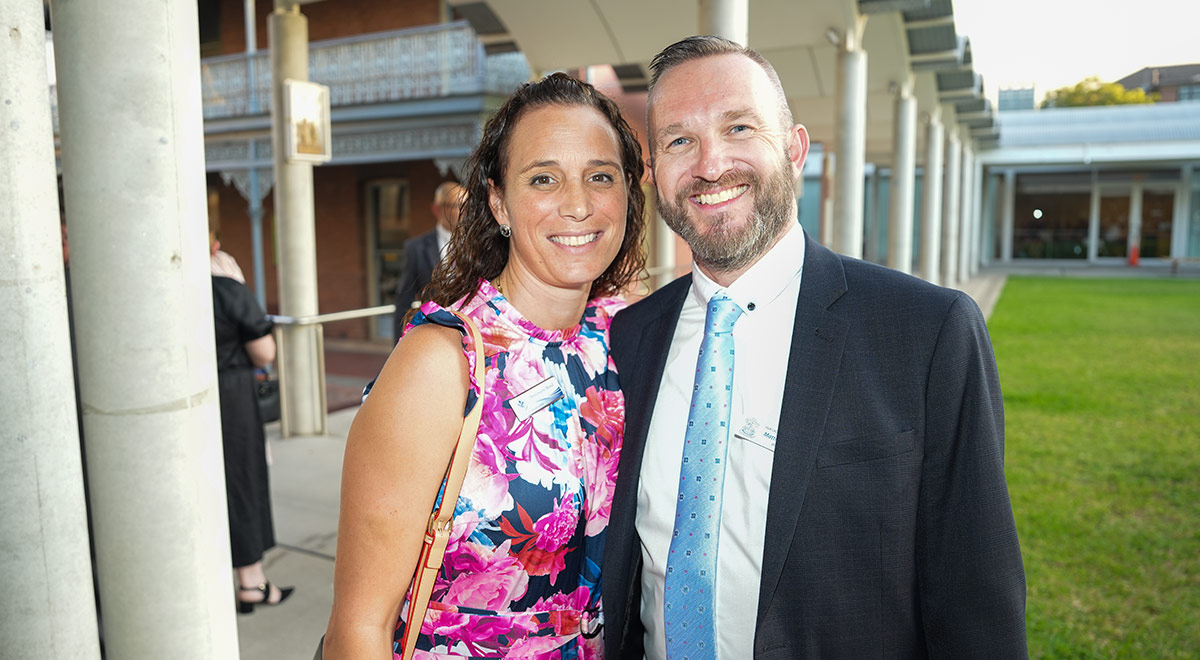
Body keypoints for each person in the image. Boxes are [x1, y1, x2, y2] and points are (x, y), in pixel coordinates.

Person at [601, 36, 1028, 659]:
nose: (711, 164)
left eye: (739, 127)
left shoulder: (928, 333)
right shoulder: (630, 339)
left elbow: (978, 605)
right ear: (653, 172)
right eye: (678, 141)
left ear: (795, 149)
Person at [321, 72, 646, 660]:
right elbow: (360, 625)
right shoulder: (443, 364)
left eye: (600, 176)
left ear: (627, 192)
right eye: (543, 178)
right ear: (498, 201)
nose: (578, 204)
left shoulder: (629, 338)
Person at [212, 271, 294, 613]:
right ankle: (251, 582)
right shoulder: (225, 288)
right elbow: (264, 352)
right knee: (241, 481)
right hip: (231, 398)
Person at [392, 181, 466, 342]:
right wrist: (398, 347)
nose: (465, 211)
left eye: (468, 204)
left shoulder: (480, 245)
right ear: (437, 209)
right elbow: (404, 300)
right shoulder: (416, 248)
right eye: (457, 205)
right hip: (435, 337)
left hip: (475, 337)